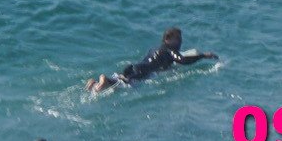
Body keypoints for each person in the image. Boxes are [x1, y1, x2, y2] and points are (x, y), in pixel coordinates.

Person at [88, 27, 218, 96]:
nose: (180, 42)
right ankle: (104, 81)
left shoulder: (155, 48)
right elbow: (182, 60)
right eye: (177, 39)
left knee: (121, 82)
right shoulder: (169, 50)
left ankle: (97, 82)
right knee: (126, 85)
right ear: (168, 39)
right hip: (142, 70)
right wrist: (202, 56)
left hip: (135, 66)